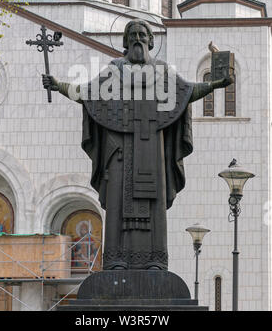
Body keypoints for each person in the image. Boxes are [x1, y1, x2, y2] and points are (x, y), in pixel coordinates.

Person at [43, 20, 232, 270]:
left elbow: (186, 92)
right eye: (132, 35)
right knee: (118, 201)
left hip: (152, 149)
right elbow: (87, 93)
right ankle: (115, 262)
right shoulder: (114, 70)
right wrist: (59, 86)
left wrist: (216, 85)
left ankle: (155, 262)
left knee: (153, 203)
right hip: (118, 151)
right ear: (125, 41)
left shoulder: (163, 72)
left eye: (143, 34)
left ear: (151, 41)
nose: (137, 38)